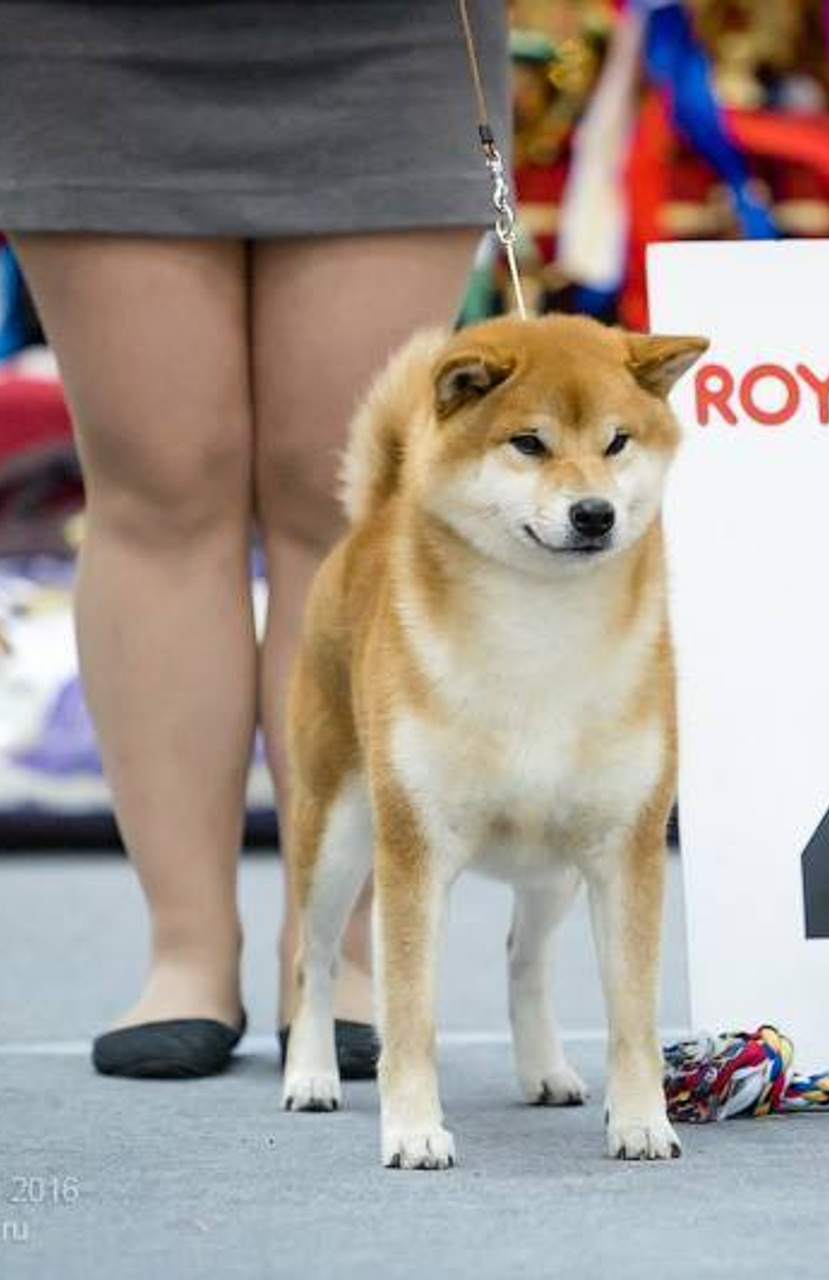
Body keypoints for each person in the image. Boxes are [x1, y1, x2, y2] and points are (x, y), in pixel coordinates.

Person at [0, 1, 509, 1078]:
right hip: (85, 40)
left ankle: (342, 951)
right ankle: (185, 948)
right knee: (154, 484)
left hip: (388, 35)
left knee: (341, 502)